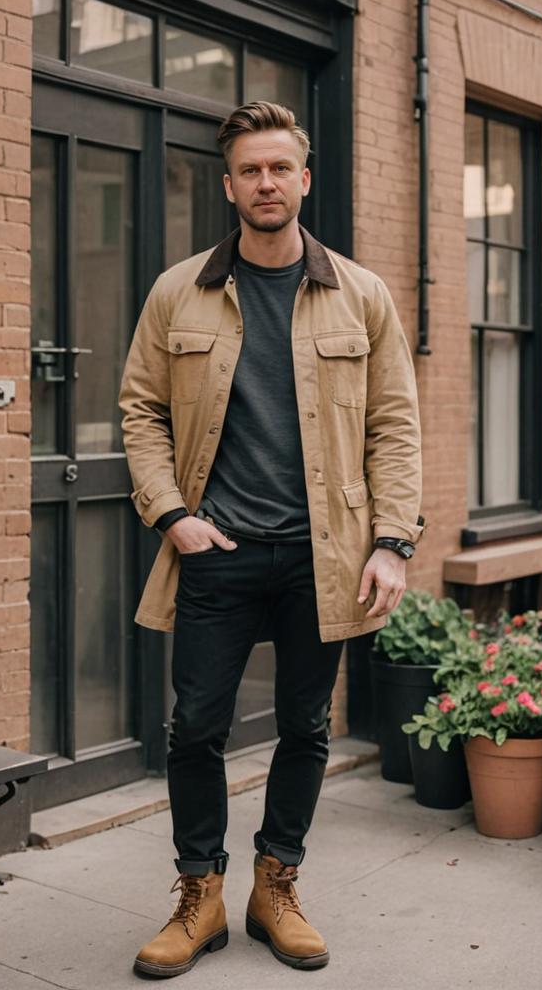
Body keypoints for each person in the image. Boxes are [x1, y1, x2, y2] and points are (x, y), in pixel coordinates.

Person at [119, 101, 424, 978]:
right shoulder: (178, 291)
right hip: (215, 550)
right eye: (249, 170)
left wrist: (393, 541)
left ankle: (276, 886)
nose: (265, 183)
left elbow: (396, 425)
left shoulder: (360, 295)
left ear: (304, 178)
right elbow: (139, 406)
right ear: (228, 185)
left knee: (305, 728)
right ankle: (199, 893)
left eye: (279, 168)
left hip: (322, 557)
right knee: (195, 730)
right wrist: (172, 513)